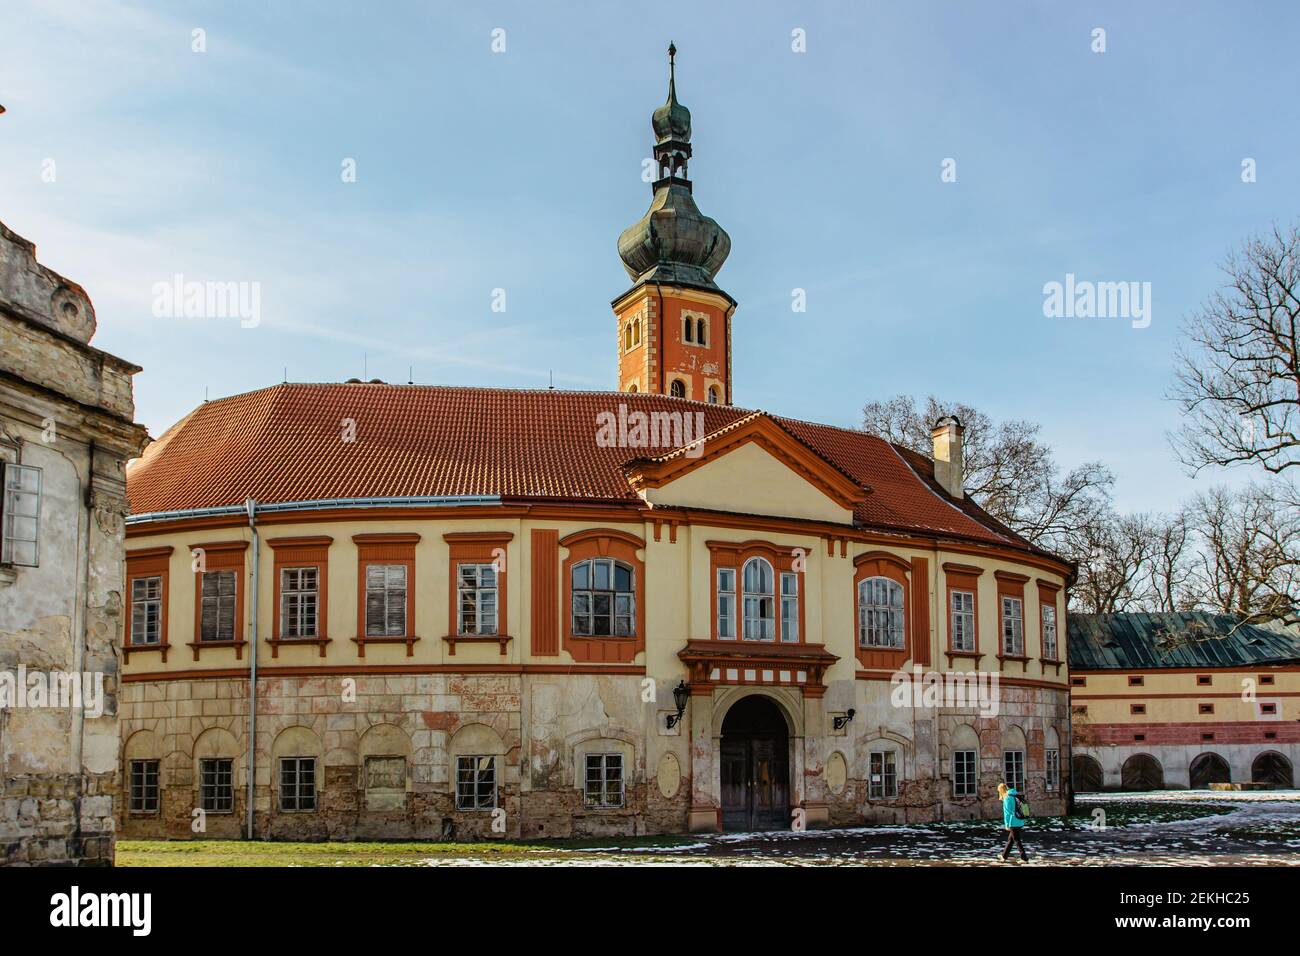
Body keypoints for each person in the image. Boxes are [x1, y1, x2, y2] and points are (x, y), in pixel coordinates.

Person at [998, 782, 1029, 862]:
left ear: (1001, 790)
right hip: (1020, 820)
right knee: (1011, 840)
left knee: (1016, 840)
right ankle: (1004, 856)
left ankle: (1024, 858)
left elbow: (1008, 813)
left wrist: (1007, 824)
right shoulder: (1016, 794)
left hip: (1013, 822)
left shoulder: (1007, 797)